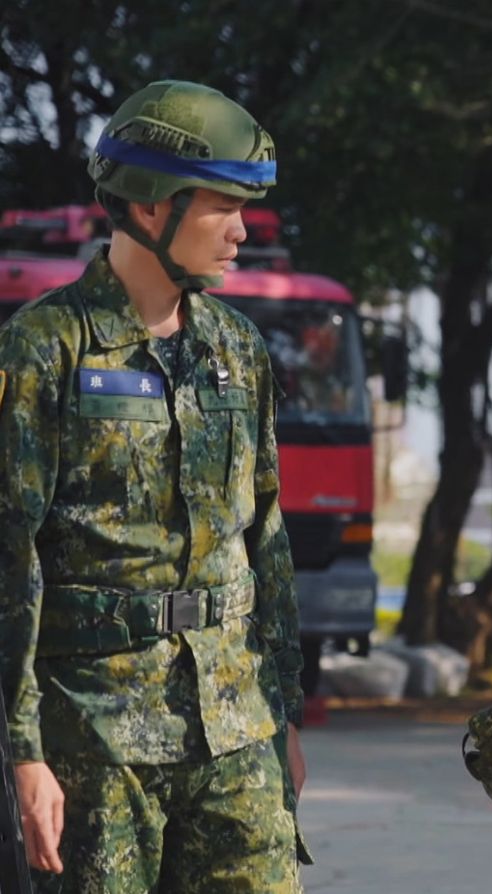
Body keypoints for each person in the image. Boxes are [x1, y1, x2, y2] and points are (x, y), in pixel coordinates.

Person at [0, 80, 307, 892]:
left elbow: (265, 540)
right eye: (223, 207)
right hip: (96, 737)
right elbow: (10, 559)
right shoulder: (43, 348)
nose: (243, 230)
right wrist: (24, 753)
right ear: (148, 208)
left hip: (236, 726)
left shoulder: (237, 350)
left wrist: (286, 715)